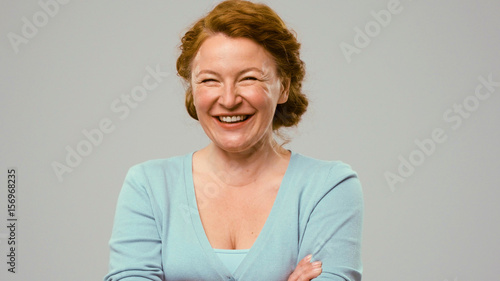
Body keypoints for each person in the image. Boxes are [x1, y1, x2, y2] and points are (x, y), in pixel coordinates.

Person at [104, 0, 363, 280]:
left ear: (284, 87)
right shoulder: (149, 187)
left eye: (249, 78)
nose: (228, 100)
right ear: (192, 89)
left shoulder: (328, 187)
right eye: (209, 80)